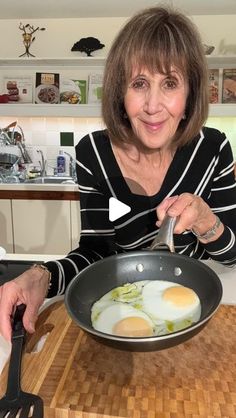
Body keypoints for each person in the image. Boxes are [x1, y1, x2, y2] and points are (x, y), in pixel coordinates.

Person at [0, 6, 236, 341]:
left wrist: (204, 220)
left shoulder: (213, 148)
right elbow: (95, 252)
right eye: (139, 83)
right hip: (127, 307)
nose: (153, 105)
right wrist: (42, 276)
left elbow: (232, 256)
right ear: (119, 92)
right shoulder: (92, 153)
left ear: (190, 93)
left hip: (208, 304)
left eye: (170, 82)